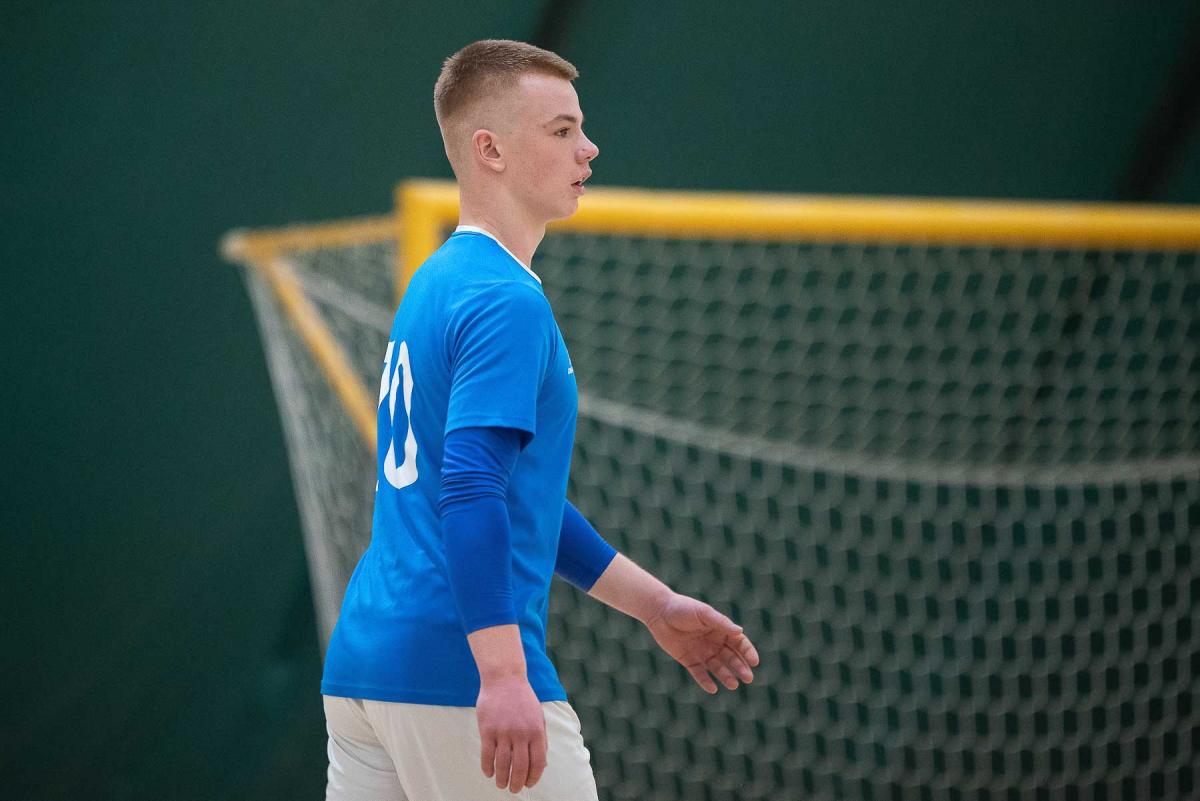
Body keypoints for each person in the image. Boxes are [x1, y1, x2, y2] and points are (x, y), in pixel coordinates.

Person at [320, 39, 760, 800]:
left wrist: (654, 605)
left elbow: (519, 498)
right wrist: (501, 673)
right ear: (488, 150)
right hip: (455, 671)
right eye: (562, 130)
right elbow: (471, 490)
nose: (589, 148)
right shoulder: (505, 299)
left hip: (366, 667)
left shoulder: (437, 279)